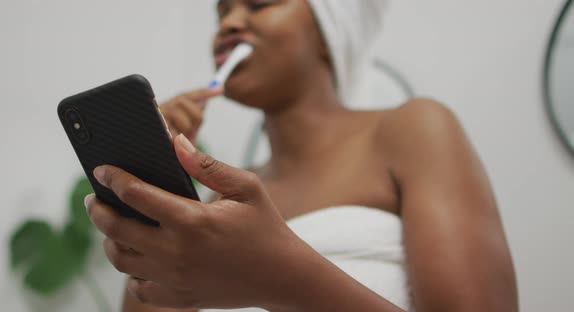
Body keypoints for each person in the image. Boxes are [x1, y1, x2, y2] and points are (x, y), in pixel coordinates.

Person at [83, 0, 519, 311]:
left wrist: (277, 279)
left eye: (259, 4)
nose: (230, 21)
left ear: (331, 35)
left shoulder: (415, 129)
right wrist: (155, 191)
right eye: (222, 9)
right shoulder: (218, 204)